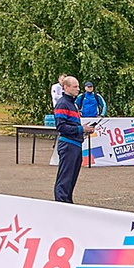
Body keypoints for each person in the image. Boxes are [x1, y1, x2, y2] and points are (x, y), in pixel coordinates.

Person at [50, 75, 87, 203]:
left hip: (76, 144)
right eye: (75, 86)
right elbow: (61, 126)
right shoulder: (62, 104)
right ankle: (61, 203)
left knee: (72, 178)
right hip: (68, 145)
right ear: (65, 87)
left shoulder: (73, 104)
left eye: (78, 86)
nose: (78, 89)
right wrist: (81, 129)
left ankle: (68, 202)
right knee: (65, 178)